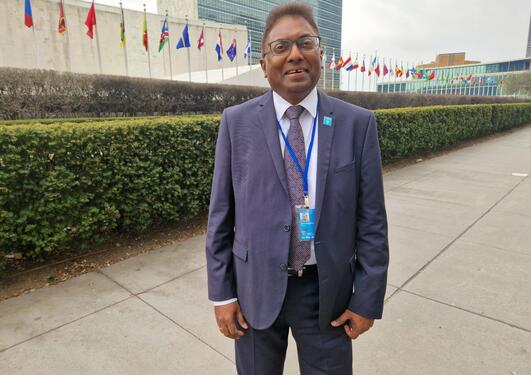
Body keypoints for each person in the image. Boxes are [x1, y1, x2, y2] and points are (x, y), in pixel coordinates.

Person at [205, 3, 389, 374]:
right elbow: (220, 217)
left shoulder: (358, 125)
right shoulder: (236, 123)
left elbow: (372, 222)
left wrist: (367, 299)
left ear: (321, 53)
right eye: (280, 46)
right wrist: (222, 293)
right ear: (263, 63)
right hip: (254, 290)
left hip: (327, 297)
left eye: (306, 42)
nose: (294, 55)